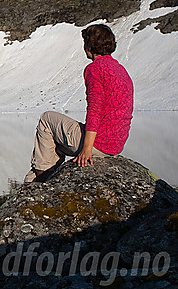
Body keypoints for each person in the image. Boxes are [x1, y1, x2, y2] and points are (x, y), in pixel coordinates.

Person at [25, 24, 134, 183]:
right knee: (55, 142)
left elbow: (95, 110)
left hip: (98, 144)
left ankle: (40, 180)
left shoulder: (95, 68)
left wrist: (87, 149)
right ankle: (42, 177)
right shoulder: (121, 70)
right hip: (115, 145)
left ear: (89, 46)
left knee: (47, 119)